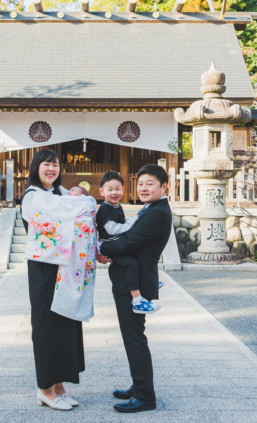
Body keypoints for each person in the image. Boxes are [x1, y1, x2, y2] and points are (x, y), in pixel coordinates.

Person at [97, 164, 172, 414]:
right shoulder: (152, 208)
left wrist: (99, 249)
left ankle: (144, 396)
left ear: (164, 187)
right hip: (133, 280)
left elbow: (128, 243)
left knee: (134, 339)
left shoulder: (157, 213)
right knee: (134, 338)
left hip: (135, 282)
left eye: (149, 183)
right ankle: (139, 385)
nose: (143, 188)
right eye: (140, 183)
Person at [21, 149, 85, 412]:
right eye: (46, 164)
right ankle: (45, 389)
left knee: (64, 323)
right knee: (46, 326)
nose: (51, 169)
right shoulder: (32, 195)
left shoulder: (59, 194)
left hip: (65, 268)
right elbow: (51, 223)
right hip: (44, 269)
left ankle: (59, 386)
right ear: (36, 167)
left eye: (55, 165)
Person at [96, 172, 159, 315]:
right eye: (109, 190)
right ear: (101, 191)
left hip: (114, 242)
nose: (114, 193)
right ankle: (137, 300)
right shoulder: (105, 209)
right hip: (108, 244)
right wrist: (134, 220)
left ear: (123, 190)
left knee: (137, 255)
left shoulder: (116, 206)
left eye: (117, 189)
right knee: (130, 263)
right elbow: (114, 230)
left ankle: (149, 282)